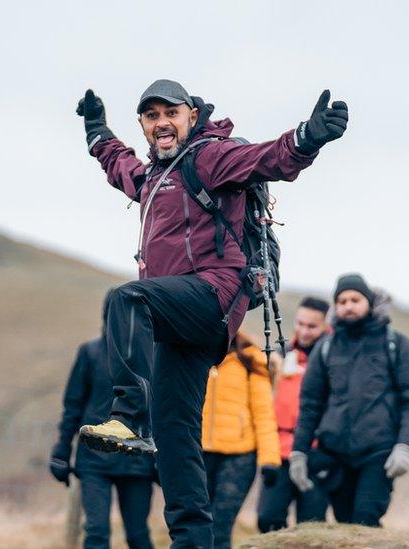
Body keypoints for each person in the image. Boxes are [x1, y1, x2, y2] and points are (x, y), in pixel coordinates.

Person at [74, 79, 348, 547]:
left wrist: (309, 137)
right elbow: (117, 163)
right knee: (175, 437)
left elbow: (267, 158)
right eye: (151, 116)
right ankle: (192, 542)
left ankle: (125, 414)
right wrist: (96, 127)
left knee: (127, 298)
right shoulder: (153, 178)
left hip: (213, 295)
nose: (161, 123)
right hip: (181, 324)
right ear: (143, 125)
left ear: (191, 116)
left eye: (170, 113)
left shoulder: (209, 156)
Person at [290, 274, 409, 527]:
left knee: (366, 517)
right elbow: (310, 404)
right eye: (341, 301)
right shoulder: (326, 348)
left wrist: (406, 446)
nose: (348, 305)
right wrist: (298, 451)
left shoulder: (396, 344)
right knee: (345, 521)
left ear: (369, 302)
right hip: (335, 454)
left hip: (378, 453)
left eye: (355, 299)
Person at [49, 294, 156, 549]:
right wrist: (62, 449)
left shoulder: (150, 357)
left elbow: (160, 409)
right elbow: (73, 405)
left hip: (137, 461)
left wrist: (162, 457)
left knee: (138, 535)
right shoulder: (91, 353)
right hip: (94, 461)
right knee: (96, 532)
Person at [257, 296, 332, 532]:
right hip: (279, 451)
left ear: (325, 327)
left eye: (312, 326)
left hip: (316, 452)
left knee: (311, 527)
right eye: (300, 323)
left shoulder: (333, 360)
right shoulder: (279, 356)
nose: (304, 331)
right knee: (268, 520)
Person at [201, 331, 280, 549]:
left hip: (239, 457)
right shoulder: (195, 357)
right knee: (195, 526)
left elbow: (263, 412)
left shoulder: (250, 360)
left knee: (220, 528)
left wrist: (270, 460)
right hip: (198, 455)